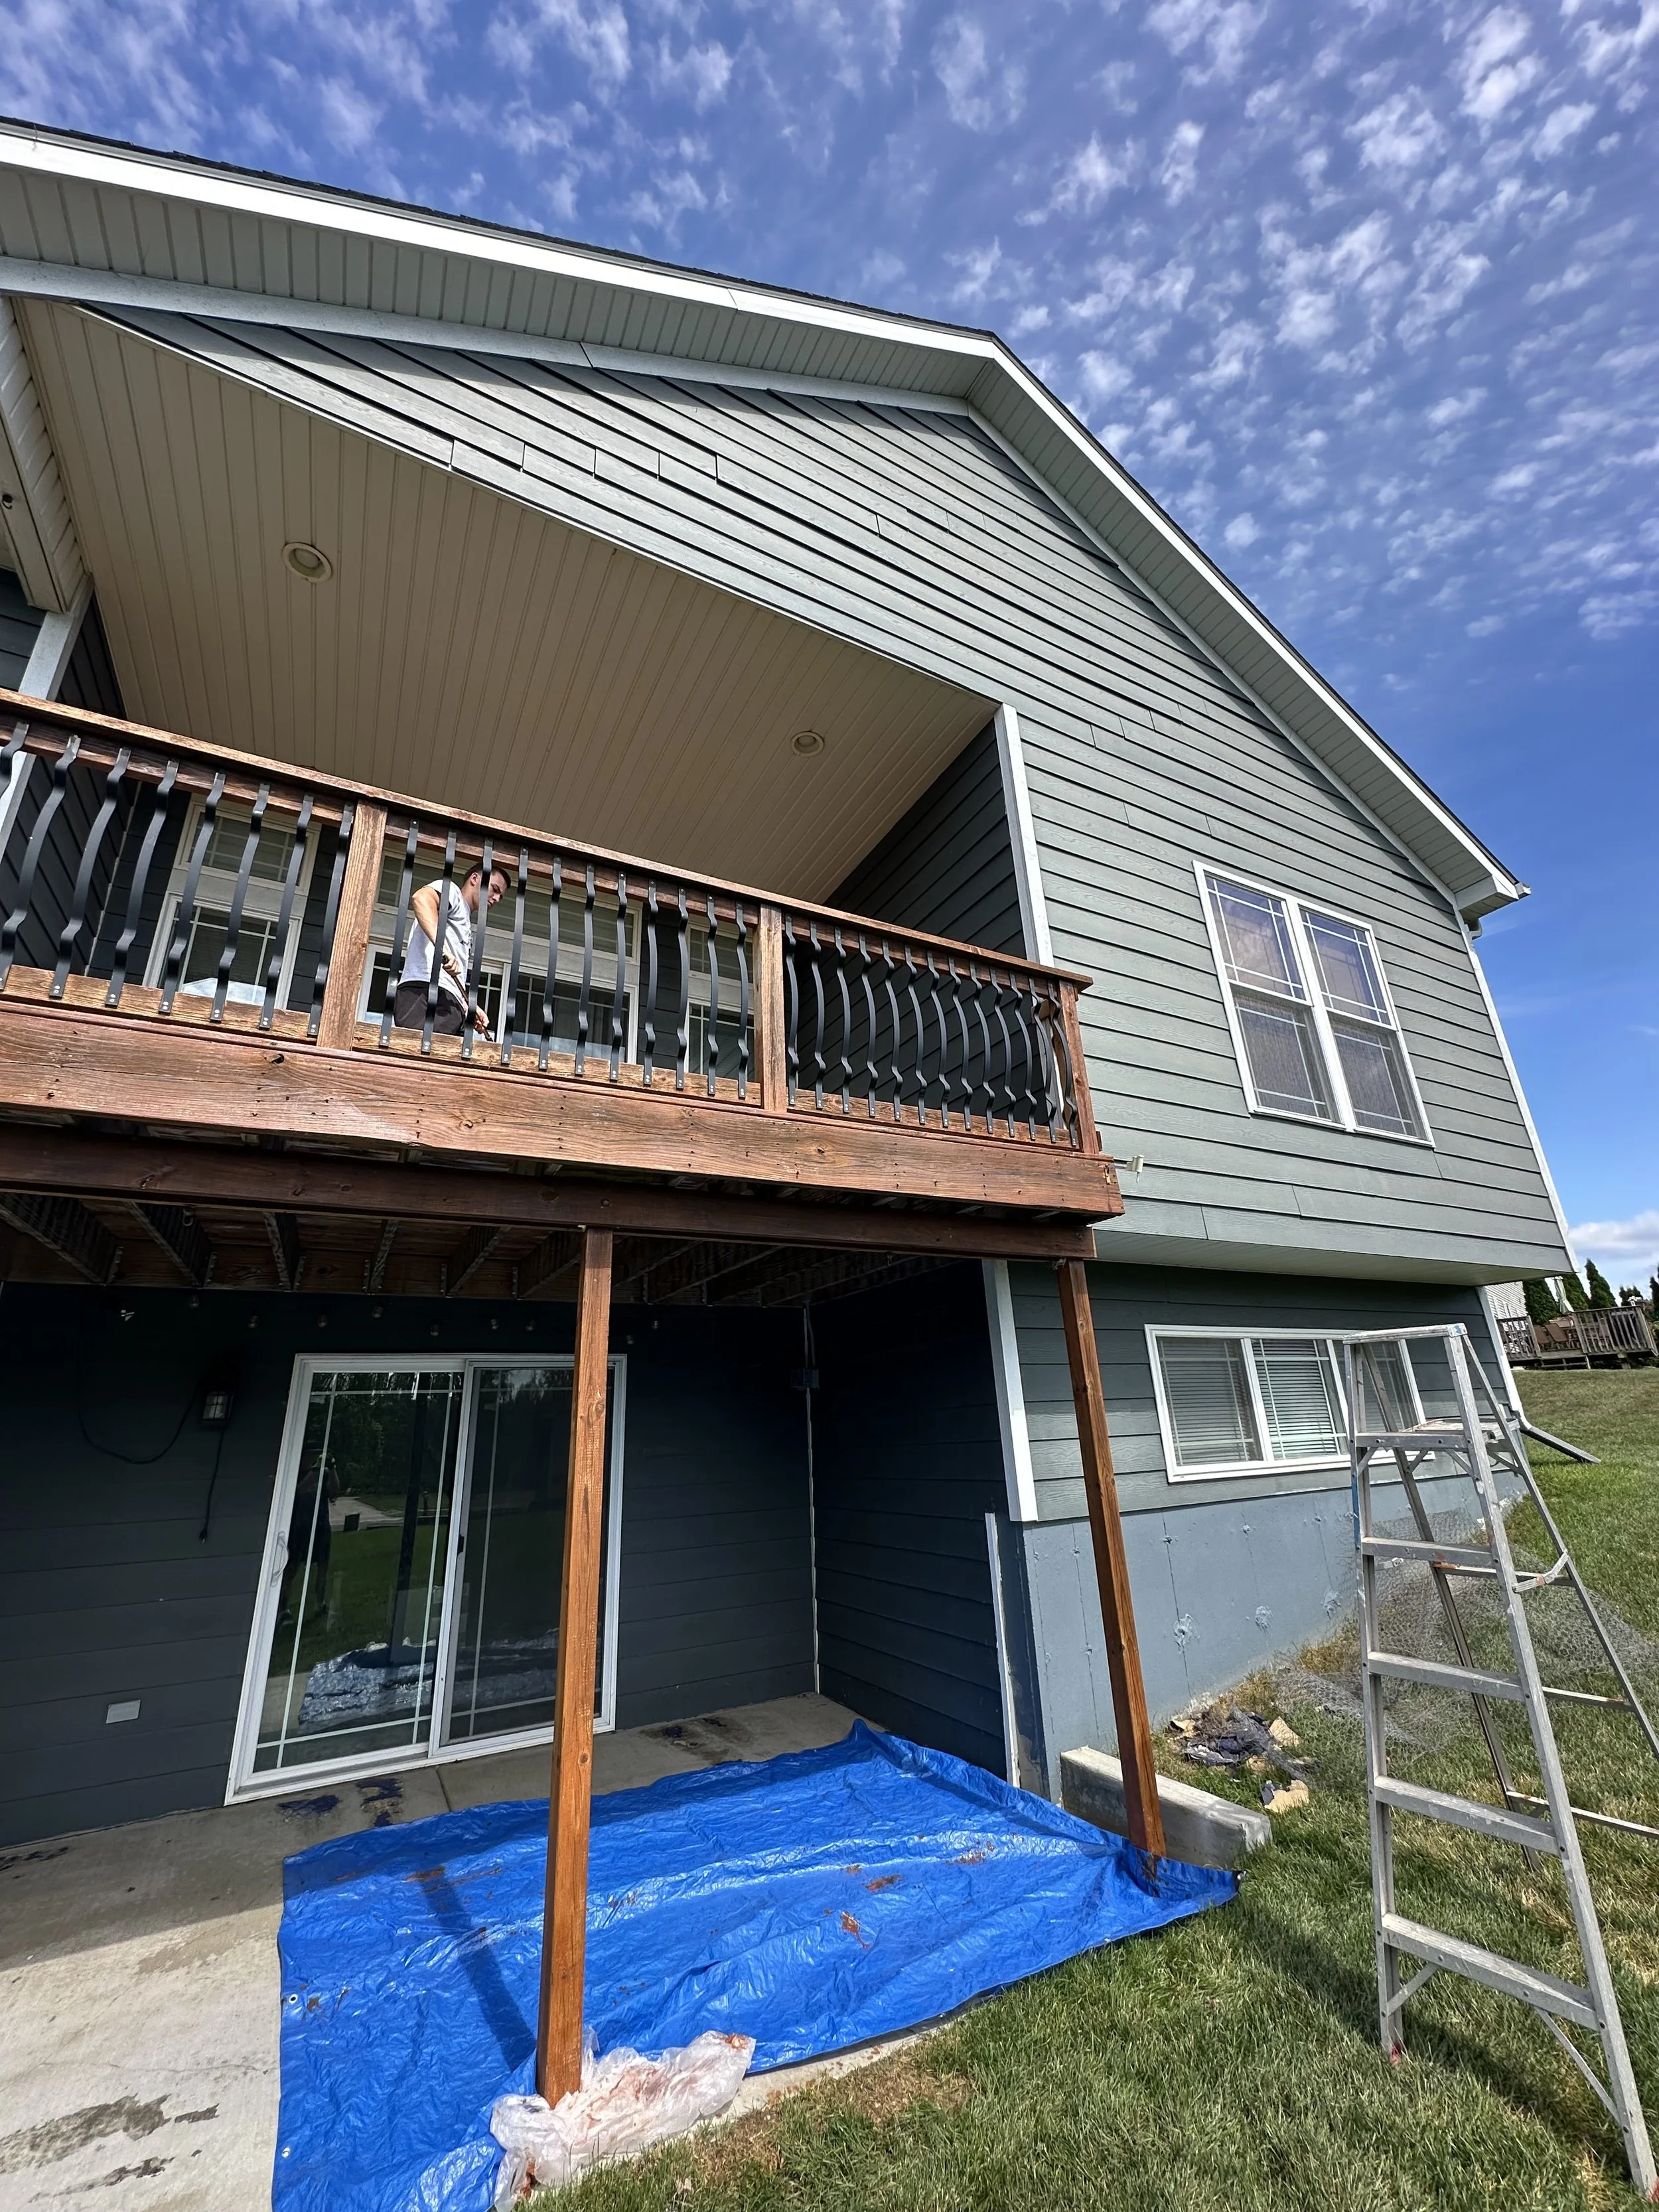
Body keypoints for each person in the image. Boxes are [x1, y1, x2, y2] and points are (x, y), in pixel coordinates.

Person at [393, 861, 507, 1035]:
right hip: (426, 992)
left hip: (450, 1002)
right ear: (475, 879)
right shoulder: (452, 892)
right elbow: (421, 898)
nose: (497, 898)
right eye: (495, 889)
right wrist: (443, 950)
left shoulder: (466, 920)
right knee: (421, 1057)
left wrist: (467, 1004)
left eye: (501, 896)